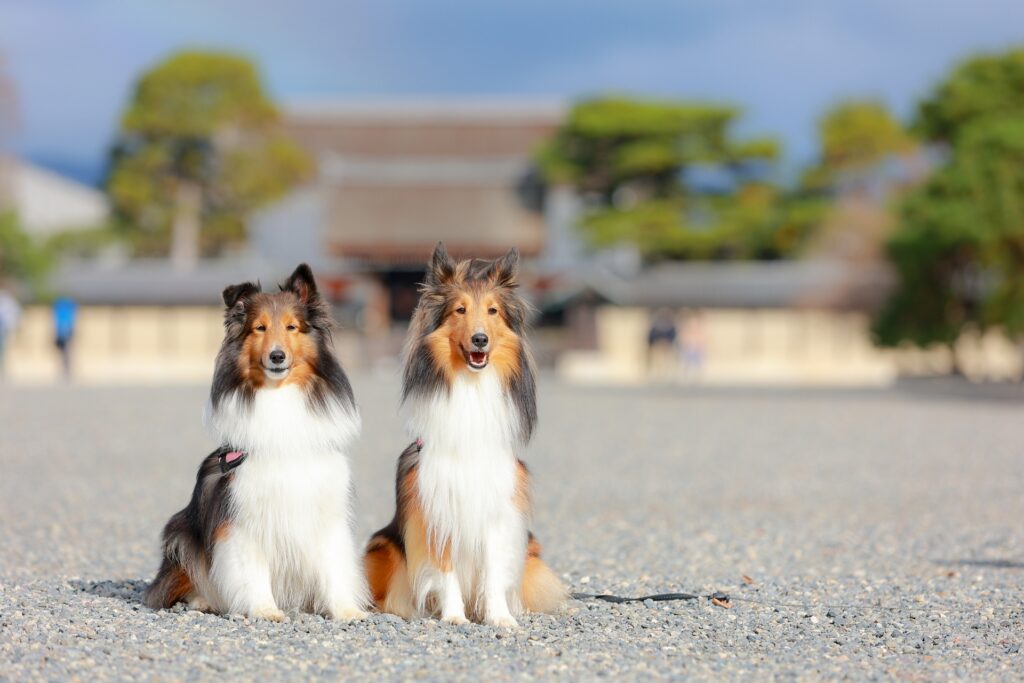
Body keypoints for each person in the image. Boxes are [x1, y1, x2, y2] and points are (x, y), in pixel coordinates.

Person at [53, 297, 77, 380]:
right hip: (65, 333)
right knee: (65, 353)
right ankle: (66, 370)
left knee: (66, 353)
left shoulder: (60, 310)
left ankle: (67, 370)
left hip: (63, 333)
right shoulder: (69, 310)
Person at [0, 287, 21, 378]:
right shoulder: (7, 300)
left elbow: (14, 314)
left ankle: (2, 368)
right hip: (4, 326)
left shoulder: (7, 300)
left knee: (2, 349)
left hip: (3, 327)